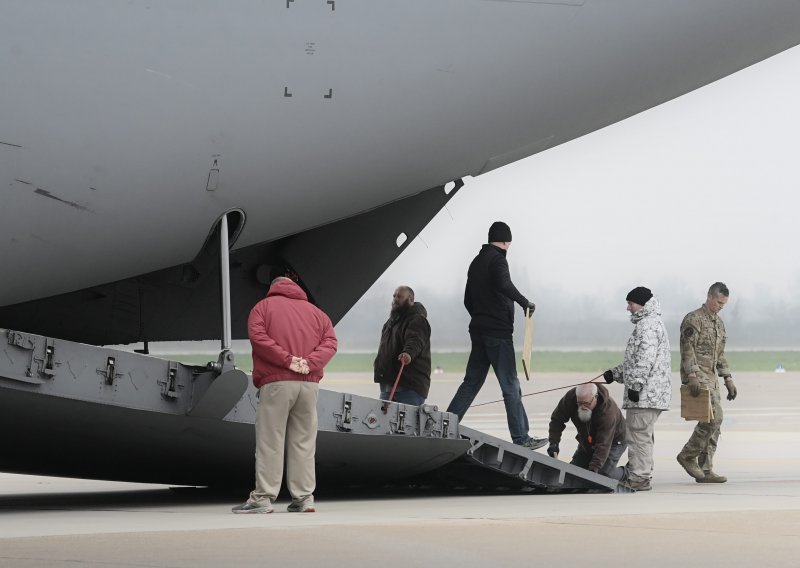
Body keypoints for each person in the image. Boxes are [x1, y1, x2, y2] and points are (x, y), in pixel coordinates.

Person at [233, 277, 337, 514]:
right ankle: (304, 498)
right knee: (303, 442)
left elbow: (259, 339)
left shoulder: (262, 308)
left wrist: (287, 360)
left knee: (271, 441)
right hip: (309, 385)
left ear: (273, 289)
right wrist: (309, 363)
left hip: (277, 382)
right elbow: (330, 342)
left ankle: (263, 498)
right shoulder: (318, 314)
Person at [447, 221, 546, 450]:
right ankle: (521, 438)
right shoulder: (498, 260)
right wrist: (524, 303)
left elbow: (467, 300)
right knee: (511, 385)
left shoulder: (476, 262)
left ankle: (446, 425)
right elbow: (503, 283)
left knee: (471, 382)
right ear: (505, 241)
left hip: (478, 331)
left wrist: (481, 317)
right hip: (498, 333)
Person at [602, 286, 671, 491]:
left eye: (630, 303)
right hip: (650, 393)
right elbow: (635, 361)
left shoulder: (647, 325)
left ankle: (639, 476)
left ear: (641, 304)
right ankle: (641, 471)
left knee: (638, 435)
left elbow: (644, 361)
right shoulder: (650, 323)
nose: (628, 308)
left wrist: (636, 385)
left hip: (645, 394)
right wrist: (614, 374)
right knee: (642, 435)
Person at [676, 282, 737, 484]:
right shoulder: (694, 319)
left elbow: (719, 355)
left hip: (711, 377)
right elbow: (687, 350)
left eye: (723, 304)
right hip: (697, 375)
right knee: (715, 417)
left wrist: (727, 377)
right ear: (709, 296)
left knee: (715, 424)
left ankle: (706, 468)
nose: (720, 307)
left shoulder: (718, 324)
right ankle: (687, 455)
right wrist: (692, 375)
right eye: (718, 302)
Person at [547, 383, 627, 480]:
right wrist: (553, 443)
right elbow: (557, 420)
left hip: (613, 442)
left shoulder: (608, 412)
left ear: (595, 397)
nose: (583, 407)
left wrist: (593, 471)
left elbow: (603, 445)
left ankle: (627, 474)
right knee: (573, 473)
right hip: (587, 440)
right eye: (579, 403)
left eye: (586, 403)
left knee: (602, 475)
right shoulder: (570, 398)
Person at [374, 286, 432, 405]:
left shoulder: (417, 320)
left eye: (399, 297)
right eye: (394, 296)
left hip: (408, 387)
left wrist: (408, 353)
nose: (395, 299)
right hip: (388, 386)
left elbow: (415, 340)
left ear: (410, 299)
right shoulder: (391, 322)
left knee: (406, 424)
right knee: (382, 422)